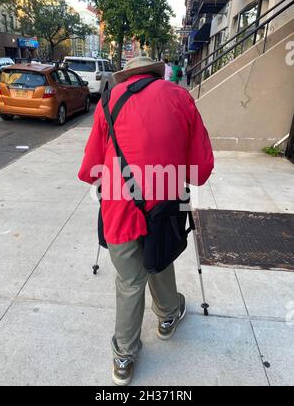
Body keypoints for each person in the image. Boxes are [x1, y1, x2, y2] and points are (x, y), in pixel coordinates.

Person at [78, 57, 214, 386]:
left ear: (127, 76)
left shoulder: (109, 99)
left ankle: (124, 356)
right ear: (156, 74)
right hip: (166, 202)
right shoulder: (180, 97)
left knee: (129, 281)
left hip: (118, 205)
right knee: (160, 254)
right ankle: (168, 316)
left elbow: (91, 167)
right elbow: (201, 168)